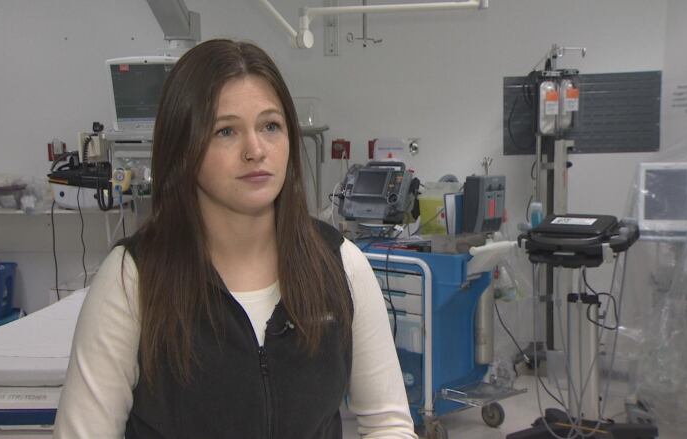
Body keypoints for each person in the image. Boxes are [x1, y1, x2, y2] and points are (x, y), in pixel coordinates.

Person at [53, 39, 416, 438]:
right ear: (183, 150)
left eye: (270, 126)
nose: (255, 150)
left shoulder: (340, 264)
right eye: (226, 131)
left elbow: (388, 423)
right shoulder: (133, 278)